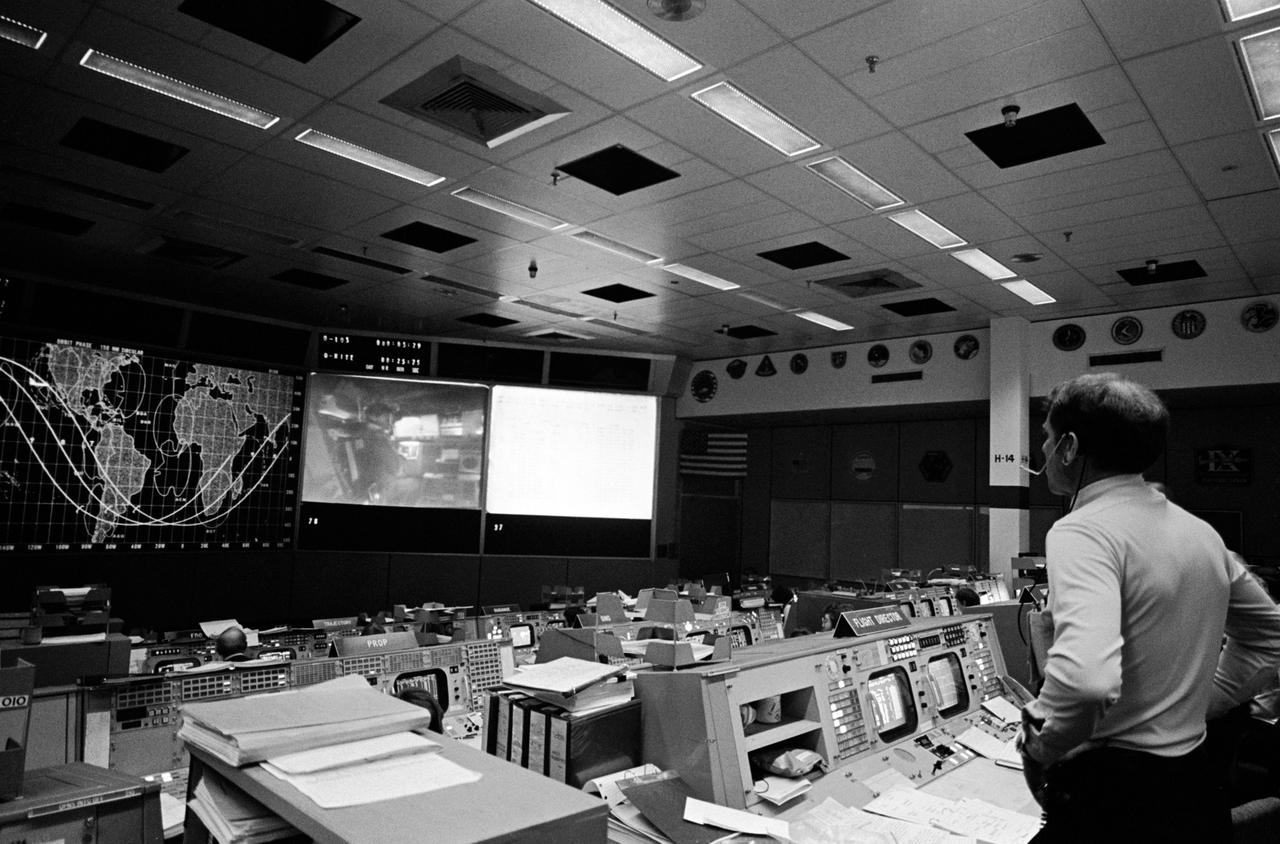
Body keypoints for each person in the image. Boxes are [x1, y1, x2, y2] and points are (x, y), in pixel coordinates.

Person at [1017, 373, 1280, 843]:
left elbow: (1085, 681)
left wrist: (1041, 747)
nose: (1042, 452)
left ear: (1070, 447)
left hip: (1114, 802)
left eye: (1046, 438)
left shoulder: (1081, 531)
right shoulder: (1202, 533)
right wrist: (1196, 705)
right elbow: (1270, 637)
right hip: (1196, 790)